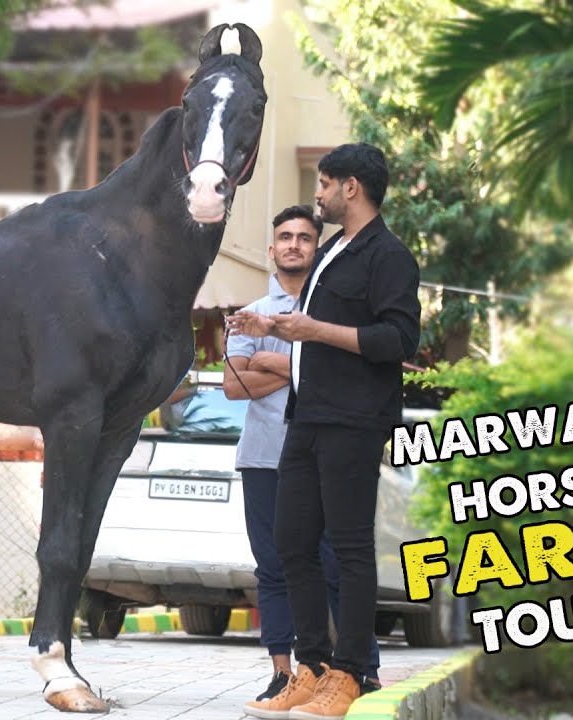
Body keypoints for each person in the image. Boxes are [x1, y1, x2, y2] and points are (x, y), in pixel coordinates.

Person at [229, 143, 421, 719]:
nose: (318, 195)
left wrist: (315, 328)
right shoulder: (333, 250)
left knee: (351, 550)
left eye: (324, 184)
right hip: (306, 419)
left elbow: (397, 341)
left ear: (351, 188)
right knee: (291, 543)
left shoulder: (388, 256)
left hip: (354, 422)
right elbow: (314, 330)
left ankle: (352, 674)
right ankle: (310, 668)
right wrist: (272, 325)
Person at [225, 206, 380, 712]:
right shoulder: (250, 309)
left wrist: (273, 359)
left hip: (327, 452)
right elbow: (234, 384)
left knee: (337, 562)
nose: (294, 245)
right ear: (272, 249)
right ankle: (284, 674)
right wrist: (298, 366)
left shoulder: (329, 311)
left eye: (304, 238)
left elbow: (338, 368)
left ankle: (361, 669)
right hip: (264, 456)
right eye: (285, 237)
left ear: (318, 250)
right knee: (274, 566)